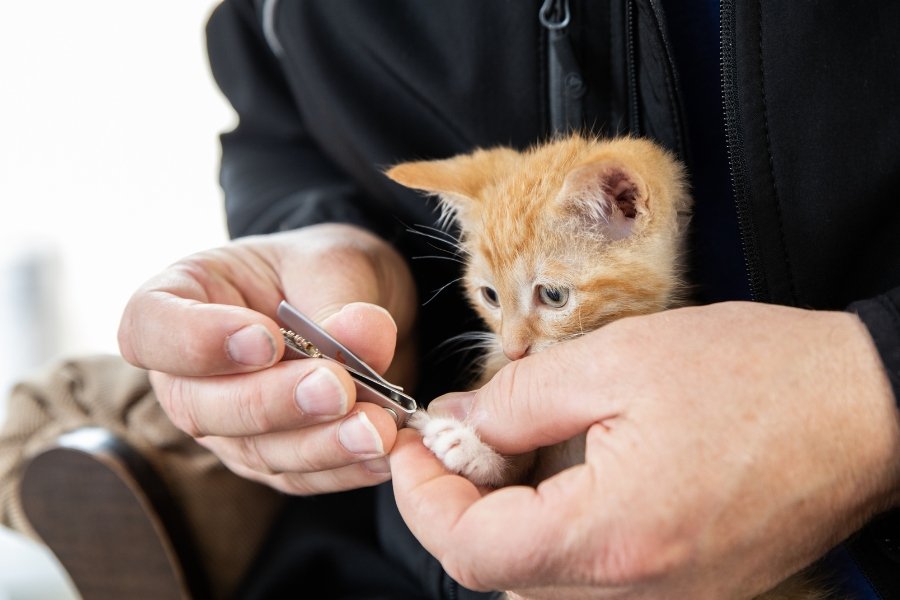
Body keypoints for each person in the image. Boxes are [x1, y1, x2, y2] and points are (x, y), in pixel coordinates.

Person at [115, 1, 900, 598]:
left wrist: (872, 385)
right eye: (492, 298)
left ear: (628, 204)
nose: (515, 341)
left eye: (551, 296)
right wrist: (327, 233)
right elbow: (273, 107)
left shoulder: (611, 206)